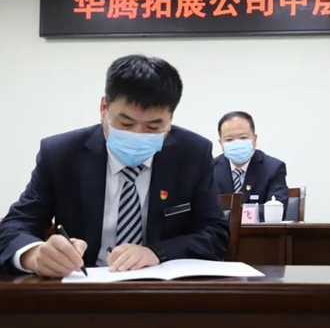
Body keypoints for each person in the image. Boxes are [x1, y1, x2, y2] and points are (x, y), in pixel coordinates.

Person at [0, 55, 229, 277]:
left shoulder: (192, 154)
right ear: (104, 108)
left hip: (161, 290)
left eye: (153, 127)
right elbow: (14, 225)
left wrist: (156, 252)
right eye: (125, 123)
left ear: (170, 119)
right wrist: (34, 254)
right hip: (83, 284)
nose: (137, 135)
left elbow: (215, 234)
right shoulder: (61, 154)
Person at [213, 111, 289, 219]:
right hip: (219, 230)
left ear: (254, 139)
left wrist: (233, 215)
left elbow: (275, 211)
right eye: (229, 139)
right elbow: (202, 209)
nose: (237, 143)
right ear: (221, 143)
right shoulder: (210, 169)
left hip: (257, 230)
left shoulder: (273, 168)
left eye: (243, 138)